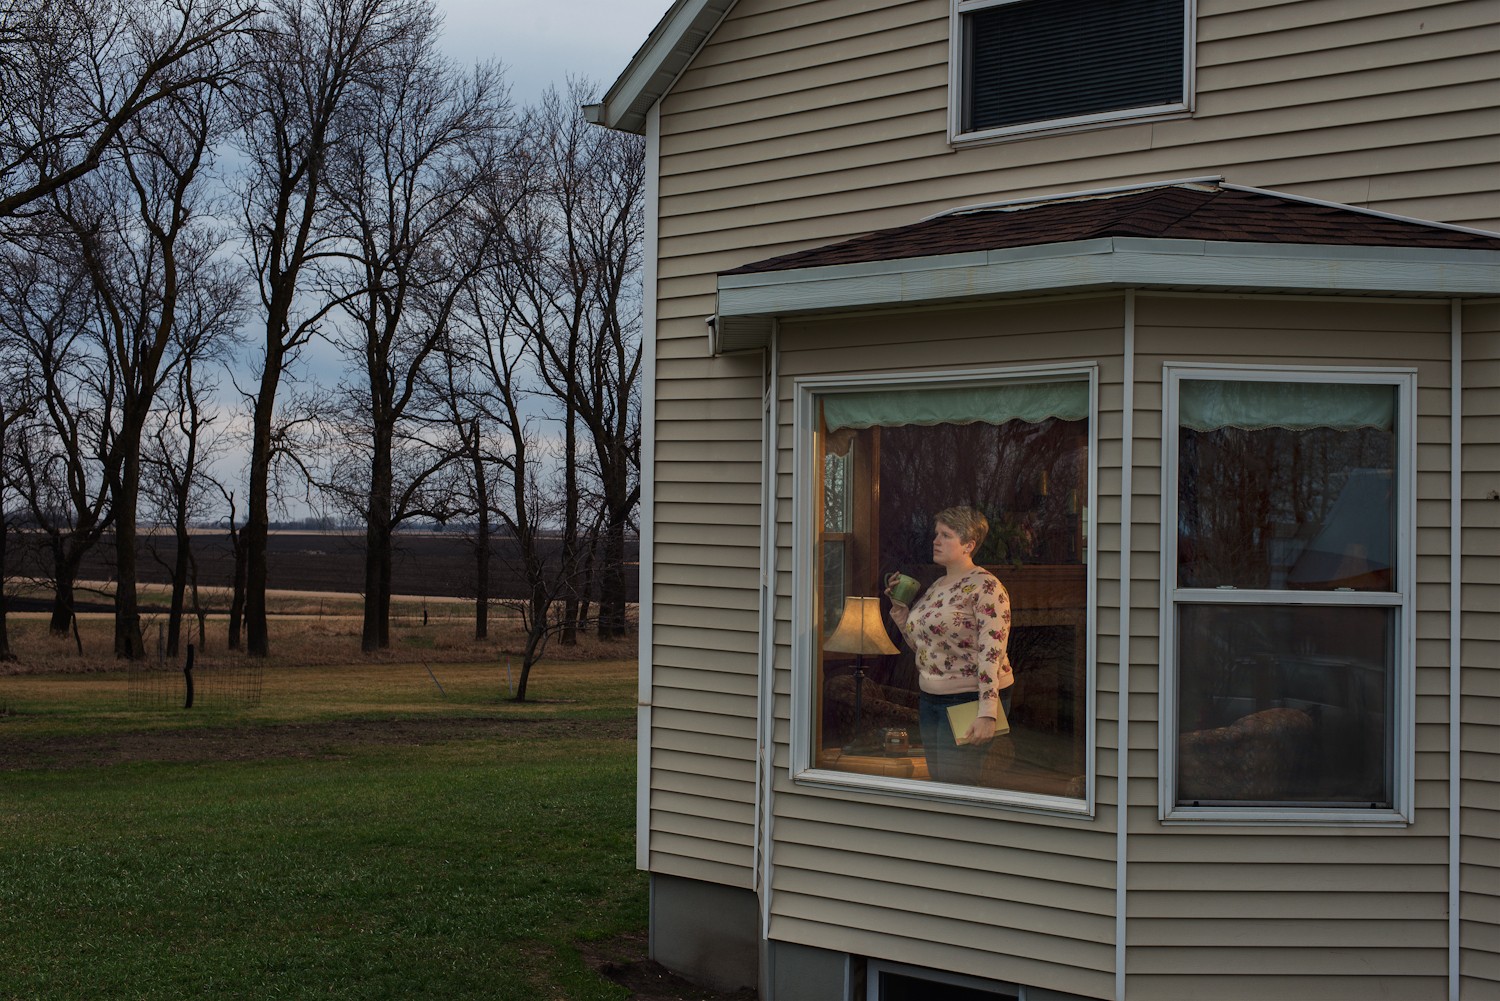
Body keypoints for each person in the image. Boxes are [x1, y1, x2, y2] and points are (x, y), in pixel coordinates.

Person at [887, 505, 1014, 786]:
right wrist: (900, 609)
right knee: (939, 784)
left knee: (957, 786)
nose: (936, 540)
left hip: (968, 699)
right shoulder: (938, 586)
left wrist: (987, 713)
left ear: (969, 545)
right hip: (931, 698)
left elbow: (992, 653)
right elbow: (924, 649)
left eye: (946, 535)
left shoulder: (987, 587)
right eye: (936, 534)